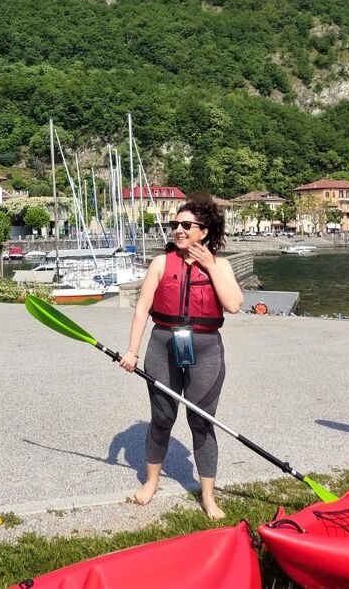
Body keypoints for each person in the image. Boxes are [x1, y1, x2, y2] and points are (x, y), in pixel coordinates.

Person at [120, 194, 243, 519]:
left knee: (201, 422)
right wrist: (132, 350)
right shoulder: (161, 263)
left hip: (205, 349)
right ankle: (151, 482)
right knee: (162, 418)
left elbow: (232, 304)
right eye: (175, 224)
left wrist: (209, 266)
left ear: (203, 231)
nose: (178, 229)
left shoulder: (222, 265)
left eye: (186, 225)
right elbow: (143, 308)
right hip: (163, 345)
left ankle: (208, 497)